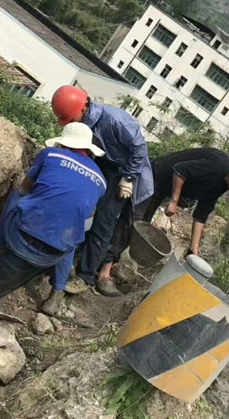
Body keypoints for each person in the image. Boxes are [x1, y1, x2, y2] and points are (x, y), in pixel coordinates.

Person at [96, 149, 229, 295]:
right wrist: (174, 200)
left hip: (161, 188)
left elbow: (201, 214)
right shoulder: (218, 164)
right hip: (154, 176)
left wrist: (194, 249)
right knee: (132, 223)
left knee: (139, 228)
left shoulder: (221, 184)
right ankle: (103, 274)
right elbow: (180, 171)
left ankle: (111, 262)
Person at [0, 122, 107, 315]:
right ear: (88, 149)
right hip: (52, 255)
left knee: (17, 196)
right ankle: (56, 295)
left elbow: (25, 187)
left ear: (64, 142)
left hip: (18, 239)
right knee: (74, 231)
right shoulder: (102, 181)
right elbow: (89, 214)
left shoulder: (51, 154)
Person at [50, 86, 154, 296]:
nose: (70, 124)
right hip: (101, 164)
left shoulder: (115, 120)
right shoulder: (82, 123)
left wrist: (127, 178)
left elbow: (140, 149)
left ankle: (85, 276)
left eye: (71, 119)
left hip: (123, 172)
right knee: (80, 208)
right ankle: (63, 257)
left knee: (103, 223)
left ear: (83, 108)